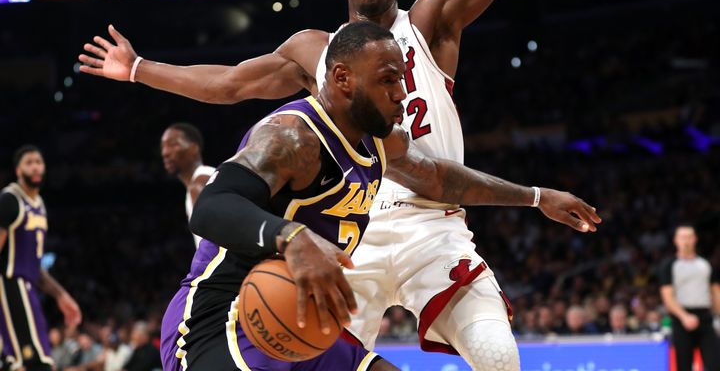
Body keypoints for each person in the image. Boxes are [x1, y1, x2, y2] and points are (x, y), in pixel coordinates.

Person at [80, 0, 601, 368]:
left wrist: (535, 197)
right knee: (313, 352)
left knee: (497, 357)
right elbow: (230, 83)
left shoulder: (430, 20)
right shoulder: (316, 51)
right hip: (351, 233)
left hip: (432, 224)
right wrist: (137, 68)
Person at [159, 22, 598, 370]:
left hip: (298, 323)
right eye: (389, 80)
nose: (402, 93)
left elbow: (440, 180)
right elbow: (212, 207)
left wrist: (538, 197)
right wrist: (292, 237)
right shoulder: (292, 138)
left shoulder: (381, 142)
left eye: (403, 80)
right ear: (343, 78)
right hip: (221, 319)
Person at [0, 145, 82, 371]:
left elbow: (36, 265)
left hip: (28, 287)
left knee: (17, 362)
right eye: (29, 162)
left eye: (39, 162)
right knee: (36, 362)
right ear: (18, 170)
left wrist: (61, 295)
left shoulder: (39, 205)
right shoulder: (10, 200)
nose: (36, 167)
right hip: (9, 285)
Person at [659, 224, 720, 371]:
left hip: (705, 318)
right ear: (676, 240)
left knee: (715, 363)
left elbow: (715, 292)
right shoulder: (669, 265)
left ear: (695, 239)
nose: (686, 240)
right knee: (684, 366)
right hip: (681, 320)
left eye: (689, 237)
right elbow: (667, 296)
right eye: (682, 237)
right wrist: (684, 316)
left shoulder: (705, 264)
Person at [160, 123, 215, 248]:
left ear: (194, 148)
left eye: (173, 144)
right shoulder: (205, 177)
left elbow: (220, 242)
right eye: (163, 147)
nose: (165, 153)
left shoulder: (200, 183)